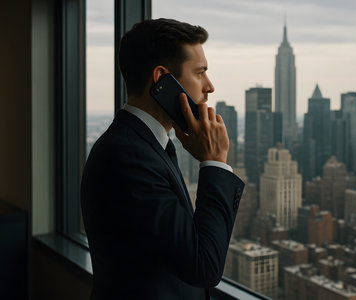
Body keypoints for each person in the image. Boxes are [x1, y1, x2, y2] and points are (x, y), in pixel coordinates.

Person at [80, 18, 245, 300]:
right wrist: (215, 161)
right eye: (200, 73)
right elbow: (203, 266)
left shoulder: (144, 145)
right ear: (162, 80)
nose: (210, 86)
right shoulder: (129, 156)